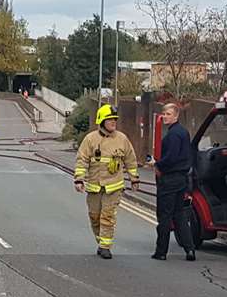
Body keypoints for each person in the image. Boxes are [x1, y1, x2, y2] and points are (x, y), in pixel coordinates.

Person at [73, 104, 140, 259]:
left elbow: (131, 160)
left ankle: (105, 247)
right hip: (94, 186)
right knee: (94, 216)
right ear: (101, 121)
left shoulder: (122, 139)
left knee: (108, 216)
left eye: (114, 120)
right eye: (110, 119)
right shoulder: (90, 139)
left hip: (114, 186)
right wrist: (79, 179)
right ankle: (101, 241)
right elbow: (82, 160)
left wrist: (134, 179)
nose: (113, 122)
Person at [151, 102, 196, 261]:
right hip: (182, 180)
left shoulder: (173, 135)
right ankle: (190, 249)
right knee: (180, 216)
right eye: (164, 113)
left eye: (168, 114)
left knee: (164, 216)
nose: (165, 116)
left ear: (176, 116)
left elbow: (171, 157)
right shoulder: (184, 132)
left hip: (169, 179)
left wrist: (158, 165)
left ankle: (161, 251)